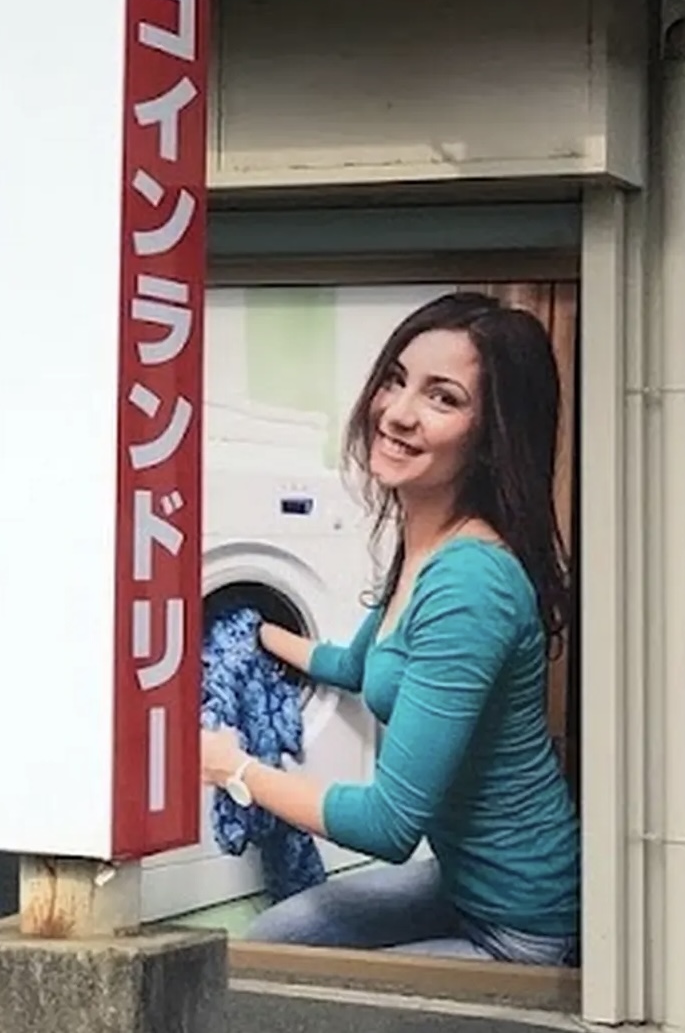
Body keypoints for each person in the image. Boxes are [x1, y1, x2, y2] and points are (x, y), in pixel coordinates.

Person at [199, 290, 581, 965]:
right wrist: (243, 628)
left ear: (491, 436)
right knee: (275, 940)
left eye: (443, 398)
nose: (398, 412)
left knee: (287, 984)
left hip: (522, 921)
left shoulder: (470, 583)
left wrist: (234, 767)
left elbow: (389, 824)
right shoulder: (425, 543)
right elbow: (356, 666)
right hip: (462, 880)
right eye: (396, 379)